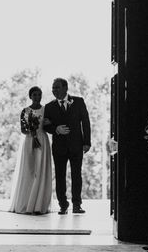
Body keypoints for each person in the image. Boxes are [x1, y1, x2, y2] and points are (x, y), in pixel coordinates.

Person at [43, 78, 91, 214]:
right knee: (60, 176)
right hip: (59, 147)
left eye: (57, 87)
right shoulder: (49, 106)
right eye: (53, 88)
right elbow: (46, 126)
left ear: (65, 88)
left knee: (77, 175)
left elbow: (86, 122)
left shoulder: (79, 101)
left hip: (76, 145)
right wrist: (56, 129)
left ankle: (77, 204)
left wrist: (87, 142)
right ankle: (63, 204)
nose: (54, 90)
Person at [8, 86, 53, 214]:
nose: (37, 97)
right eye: (34, 95)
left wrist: (47, 124)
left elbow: (49, 126)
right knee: (29, 170)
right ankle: (26, 203)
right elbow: (22, 129)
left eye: (39, 94)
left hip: (42, 141)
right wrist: (31, 129)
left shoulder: (46, 110)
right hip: (29, 141)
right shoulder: (25, 111)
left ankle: (39, 204)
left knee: (41, 170)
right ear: (30, 96)